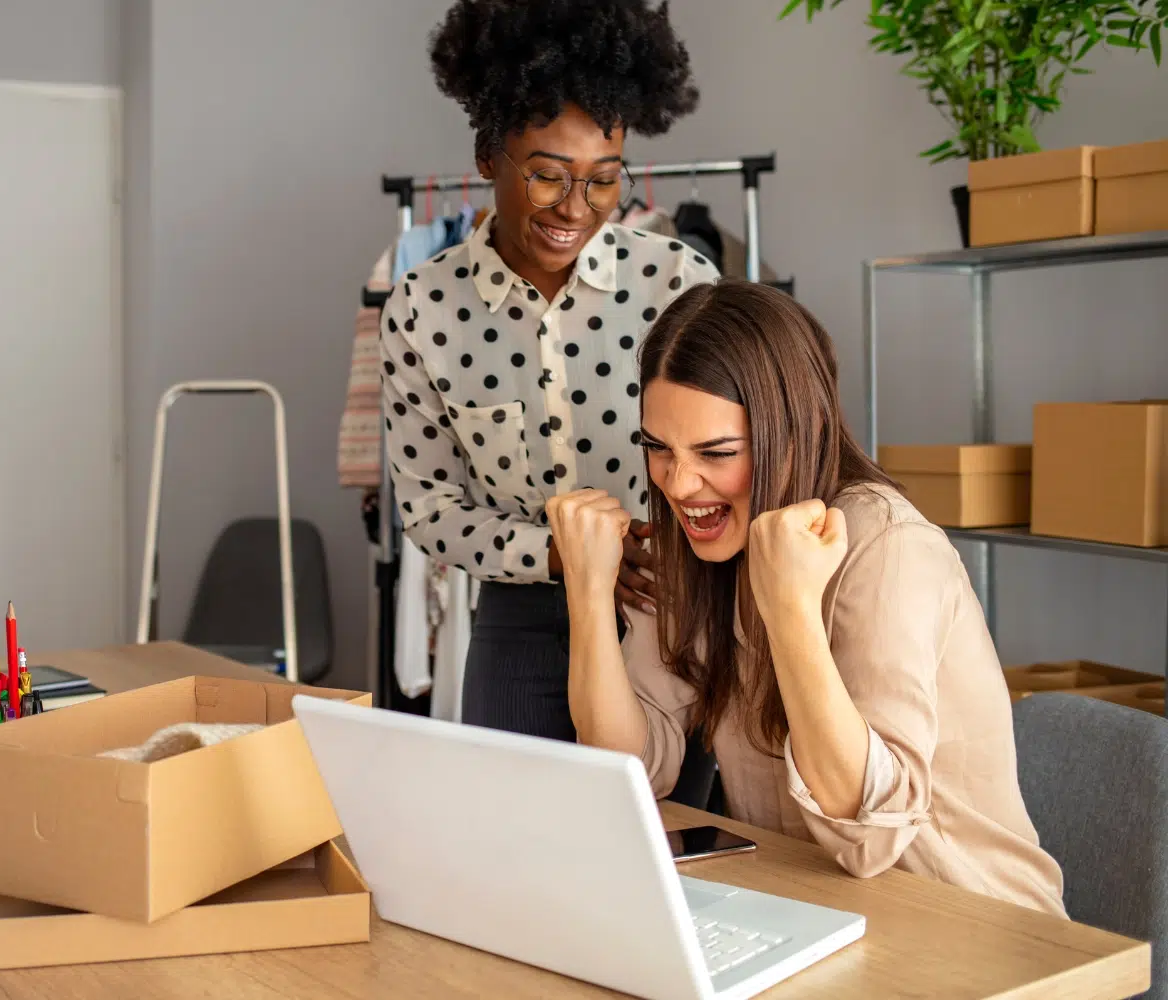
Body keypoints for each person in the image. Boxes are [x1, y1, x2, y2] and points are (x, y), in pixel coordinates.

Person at [547, 278, 1067, 915]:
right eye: (658, 449)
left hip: (971, 924)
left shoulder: (887, 546)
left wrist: (789, 609)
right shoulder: (698, 545)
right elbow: (629, 770)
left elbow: (870, 832)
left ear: (795, 430)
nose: (680, 484)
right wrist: (588, 595)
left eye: (717, 452)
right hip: (809, 910)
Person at [380, 0, 718, 740]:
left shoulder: (679, 284)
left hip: (667, 609)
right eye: (547, 176)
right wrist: (564, 555)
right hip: (521, 620)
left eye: (604, 181)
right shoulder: (423, 308)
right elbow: (429, 507)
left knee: (672, 840)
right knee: (513, 834)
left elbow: (735, 454)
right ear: (486, 157)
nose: (577, 208)